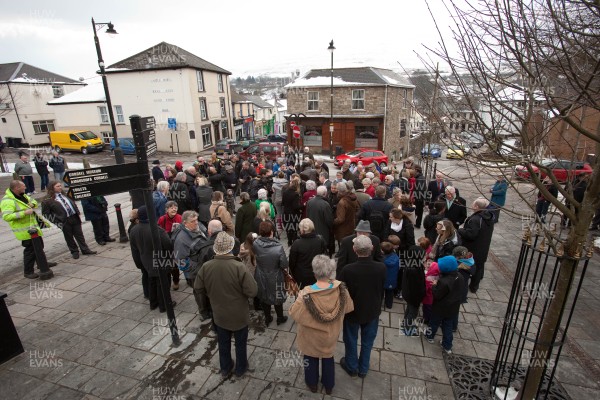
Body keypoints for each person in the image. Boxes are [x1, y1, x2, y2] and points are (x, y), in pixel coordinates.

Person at [195, 231, 258, 378]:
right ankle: (241, 368)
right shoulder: (239, 267)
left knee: (223, 343)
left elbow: (198, 288)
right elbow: (253, 291)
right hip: (239, 315)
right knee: (240, 344)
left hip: (219, 314)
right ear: (230, 248)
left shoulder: (206, 266)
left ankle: (225, 368)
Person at [289, 255, 354, 395]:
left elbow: (294, 314)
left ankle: (312, 384)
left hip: (310, 337)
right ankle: (329, 386)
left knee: (310, 358)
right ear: (330, 272)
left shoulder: (305, 294)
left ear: (314, 272)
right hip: (330, 335)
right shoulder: (341, 290)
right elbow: (348, 308)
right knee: (328, 358)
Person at [338, 235, 386, 379]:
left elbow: (341, 290)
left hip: (353, 311)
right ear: (372, 249)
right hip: (372, 310)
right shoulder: (381, 267)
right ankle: (363, 368)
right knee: (368, 341)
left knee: (351, 339)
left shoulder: (348, 270)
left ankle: (352, 367)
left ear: (354, 249)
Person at [1, 180, 55, 280]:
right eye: (23, 186)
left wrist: (32, 205)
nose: (25, 188)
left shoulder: (23, 195)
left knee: (39, 246)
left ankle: (42, 264)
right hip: (24, 231)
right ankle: (28, 271)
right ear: (16, 188)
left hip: (33, 228)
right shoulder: (7, 201)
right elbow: (6, 216)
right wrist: (24, 213)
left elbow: (34, 202)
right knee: (30, 251)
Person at [130, 206, 176, 312]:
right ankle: (164, 305)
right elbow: (168, 245)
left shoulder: (134, 230)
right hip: (160, 260)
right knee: (162, 283)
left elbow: (134, 250)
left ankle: (153, 303)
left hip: (146, 261)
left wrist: (139, 263)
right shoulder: (157, 230)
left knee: (152, 281)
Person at [41, 181, 97, 259]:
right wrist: (57, 221)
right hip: (64, 220)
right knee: (69, 237)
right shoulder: (47, 200)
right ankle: (74, 251)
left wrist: (76, 210)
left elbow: (72, 203)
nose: (60, 187)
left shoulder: (65, 195)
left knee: (79, 235)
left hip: (74, 217)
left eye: (60, 185)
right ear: (52, 188)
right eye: (58, 186)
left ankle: (85, 249)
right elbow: (46, 214)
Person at [425, 255, 464, 354]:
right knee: (448, 326)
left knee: (434, 322)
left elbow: (437, 295)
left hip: (440, 308)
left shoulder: (444, 282)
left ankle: (429, 336)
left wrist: (434, 286)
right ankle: (447, 345)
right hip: (453, 308)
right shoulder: (460, 276)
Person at [253, 221, 289, 326]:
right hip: (276, 276)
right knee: (278, 297)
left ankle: (268, 318)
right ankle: (280, 318)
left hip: (260, 275)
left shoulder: (255, 244)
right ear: (272, 232)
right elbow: (284, 264)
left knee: (264, 296)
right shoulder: (278, 247)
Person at [458, 198, 494, 294]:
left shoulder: (475, 219)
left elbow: (471, 234)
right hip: (483, 247)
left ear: (477, 207)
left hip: (473, 248)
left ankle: (463, 286)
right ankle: (474, 286)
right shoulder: (489, 217)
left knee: (468, 266)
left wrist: (461, 230)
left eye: (473, 205)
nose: (472, 206)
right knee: (479, 267)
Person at [289, 218, 328, 289]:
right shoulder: (320, 240)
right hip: (317, 274)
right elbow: (325, 257)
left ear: (302, 230)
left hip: (301, 276)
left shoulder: (297, 244)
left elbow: (292, 263)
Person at [401, 245, 426, 336]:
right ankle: (408, 329)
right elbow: (416, 287)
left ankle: (405, 324)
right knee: (412, 312)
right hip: (413, 296)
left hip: (408, 294)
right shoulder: (414, 270)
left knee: (409, 310)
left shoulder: (411, 263)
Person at [306, 186, 334, 253]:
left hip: (312, 229)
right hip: (323, 231)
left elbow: (307, 215)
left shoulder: (310, 202)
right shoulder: (325, 204)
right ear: (325, 193)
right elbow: (329, 220)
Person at [282, 178, 302, 245]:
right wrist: (303, 205)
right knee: (294, 228)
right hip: (293, 214)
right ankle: (294, 242)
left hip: (286, 213)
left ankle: (289, 241)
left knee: (288, 228)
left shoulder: (285, 192)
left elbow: (283, 203)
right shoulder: (295, 194)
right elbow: (295, 206)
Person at [381, 241, 399, 310]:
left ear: (383, 251)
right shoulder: (396, 257)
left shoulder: (382, 260)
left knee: (380, 293)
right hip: (392, 280)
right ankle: (389, 305)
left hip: (383, 280)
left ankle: (379, 304)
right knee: (390, 294)